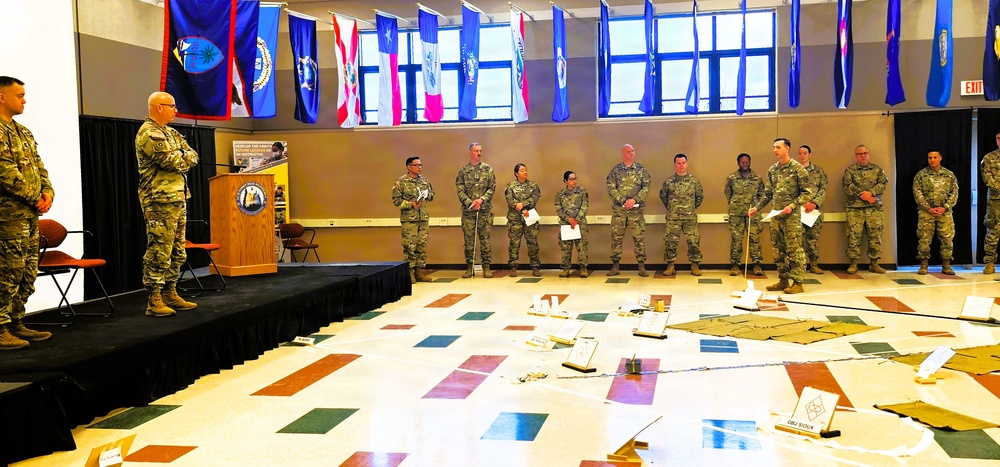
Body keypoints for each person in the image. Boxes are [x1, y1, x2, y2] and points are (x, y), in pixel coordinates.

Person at [0, 76, 54, 349]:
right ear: (2, 97)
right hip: (7, 217)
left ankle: (16, 322)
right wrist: (35, 197)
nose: (24, 100)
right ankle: (0, 329)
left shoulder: (23, 132)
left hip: (29, 216)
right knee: (7, 272)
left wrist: (48, 194)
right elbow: (5, 173)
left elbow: (39, 168)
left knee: (26, 272)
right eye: (19, 95)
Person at [136, 91, 199, 317]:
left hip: (178, 197)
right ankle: (154, 298)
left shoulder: (171, 132)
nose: (176, 110)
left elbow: (193, 155)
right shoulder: (149, 132)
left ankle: (171, 292)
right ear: (159, 107)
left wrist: (182, 157)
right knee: (159, 249)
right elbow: (170, 161)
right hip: (159, 199)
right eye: (172, 106)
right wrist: (182, 157)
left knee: (177, 249)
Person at [748, 138, 814, 294]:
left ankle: (798, 282)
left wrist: (791, 206)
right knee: (778, 250)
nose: (775, 150)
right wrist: (757, 208)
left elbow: (807, 193)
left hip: (791, 218)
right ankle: (783, 280)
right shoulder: (773, 170)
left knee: (794, 250)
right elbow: (768, 194)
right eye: (774, 147)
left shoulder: (798, 169)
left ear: (787, 148)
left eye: (778, 147)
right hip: (776, 216)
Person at [843, 144, 888, 274]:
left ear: (868, 154)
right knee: (853, 236)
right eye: (859, 154)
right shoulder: (850, 171)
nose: (862, 156)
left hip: (874, 209)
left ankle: (874, 263)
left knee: (875, 236)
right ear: (856, 156)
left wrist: (872, 192)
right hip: (855, 209)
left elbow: (883, 183)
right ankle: (853, 264)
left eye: (865, 153)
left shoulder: (877, 170)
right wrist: (865, 195)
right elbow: (847, 186)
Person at [606, 144, 651, 276]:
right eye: (628, 151)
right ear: (623, 154)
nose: (631, 153)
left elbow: (646, 188)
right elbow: (611, 188)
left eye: (633, 150)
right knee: (616, 238)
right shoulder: (615, 170)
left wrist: (634, 200)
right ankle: (615, 266)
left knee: (639, 238)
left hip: (636, 212)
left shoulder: (642, 170)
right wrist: (623, 201)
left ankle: (641, 266)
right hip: (619, 211)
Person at [913, 151, 958, 275]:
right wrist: (928, 208)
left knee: (947, 239)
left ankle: (946, 265)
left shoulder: (949, 175)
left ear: (940, 158)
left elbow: (954, 193)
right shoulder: (921, 175)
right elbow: (917, 193)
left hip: (945, 213)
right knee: (924, 239)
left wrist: (946, 207)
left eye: (935, 157)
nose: (932, 160)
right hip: (926, 213)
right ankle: (923, 265)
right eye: (930, 158)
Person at [455, 142, 496, 278]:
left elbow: (492, 188)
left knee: (485, 240)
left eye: (480, 151)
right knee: (469, 241)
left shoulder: (488, 170)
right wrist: (470, 202)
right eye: (476, 151)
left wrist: (481, 200)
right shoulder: (463, 171)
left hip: (484, 211)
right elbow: (460, 190)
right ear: (470, 153)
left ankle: (486, 267)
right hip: (468, 212)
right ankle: (469, 267)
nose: (479, 153)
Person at [659, 154, 704, 276]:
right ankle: (670, 265)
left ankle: (695, 265)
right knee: (670, 242)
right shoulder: (669, 182)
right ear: (675, 165)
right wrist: (672, 210)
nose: (681, 165)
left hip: (689, 218)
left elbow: (699, 197)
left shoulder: (694, 182)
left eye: (683, 163)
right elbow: (664, 197)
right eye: (678, 163)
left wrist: (690, 209)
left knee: (693, 242)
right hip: (673, 218)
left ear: (687, 164)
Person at [393, 156, 435, 283]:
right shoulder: (401, 182)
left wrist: (427, 195)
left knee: (421, 245)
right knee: (409, 246)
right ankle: (409, 272)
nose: (419, 167)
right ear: (409, 167)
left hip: (423, 219)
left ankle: (419, 271)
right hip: (409, 220)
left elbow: (432, 196)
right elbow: (396, 201)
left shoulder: (424, 182)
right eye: (416, 165)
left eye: (420, 165)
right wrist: (410, 204)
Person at [724, 153, 765, 276]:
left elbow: (762, 195)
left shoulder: (757, 178)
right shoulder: (732, 177)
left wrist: (756, 207)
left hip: (752, 214)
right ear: (738, 163)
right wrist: (735, 204)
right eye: (742, 162)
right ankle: (735, 265)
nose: (745, 164)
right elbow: (728, 194)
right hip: (736, 214)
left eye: (747, 162)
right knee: (736, 240)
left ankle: (757, 264)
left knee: (755, 240)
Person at [505, 163, 541, 277]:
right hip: (515, 219)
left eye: (525, 170)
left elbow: (535, 198)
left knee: (533, 243)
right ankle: (513, 267)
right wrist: (520, 209)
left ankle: (535, 267)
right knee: (514, 243)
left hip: (529, 217)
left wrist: (524, 205)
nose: (524, 172)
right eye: (521, 170)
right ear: (516, 173)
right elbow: (510, 200)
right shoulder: (510, 186)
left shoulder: (533, 185)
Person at [798, 145, 828, 274]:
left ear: (810, 154)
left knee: (812, 239)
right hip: (799, 210)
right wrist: (804, 203)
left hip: (814, 211)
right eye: (800, 153)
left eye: (805, 153)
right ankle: (799, 266)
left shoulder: (818, 171)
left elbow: (823, 189)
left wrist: (814, 203)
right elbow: (791, 191)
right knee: (798, 239)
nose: (803, 155)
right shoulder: (795, 171)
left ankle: (814, 264)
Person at [554, 170, 589, 278]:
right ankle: (565, 269)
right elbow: (558, 209)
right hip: (566, 224)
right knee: (566, 248)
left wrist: (576, 219)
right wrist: (568, 219)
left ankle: (583, 268)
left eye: (575, 178)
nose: (574, 181)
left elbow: (585, 206)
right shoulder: (560, 194)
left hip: (580, 224)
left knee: (582, 247)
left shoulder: (582, 192)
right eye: (571, 179)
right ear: (565, 181)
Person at [981, 131, 1000, 274]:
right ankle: (989, 263)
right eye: (999, 138)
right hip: (995, 201)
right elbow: (987, 178)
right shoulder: (989, 158)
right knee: (992, 231)